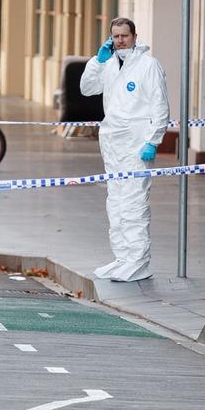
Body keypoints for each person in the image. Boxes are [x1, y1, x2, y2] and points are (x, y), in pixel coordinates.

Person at [80, 17, 170, 283]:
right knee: (116, 202)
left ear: (134, 36)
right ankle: (123, 257)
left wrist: (153, 141)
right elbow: (86, 88)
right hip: (113, 142)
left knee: (133, 203)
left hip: (136, 142)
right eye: (116, 36)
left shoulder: (148, 65)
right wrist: (97, 61)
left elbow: (160, 106)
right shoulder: (108, 64)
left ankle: (139, 261)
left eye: (125, 36)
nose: (120, 41)